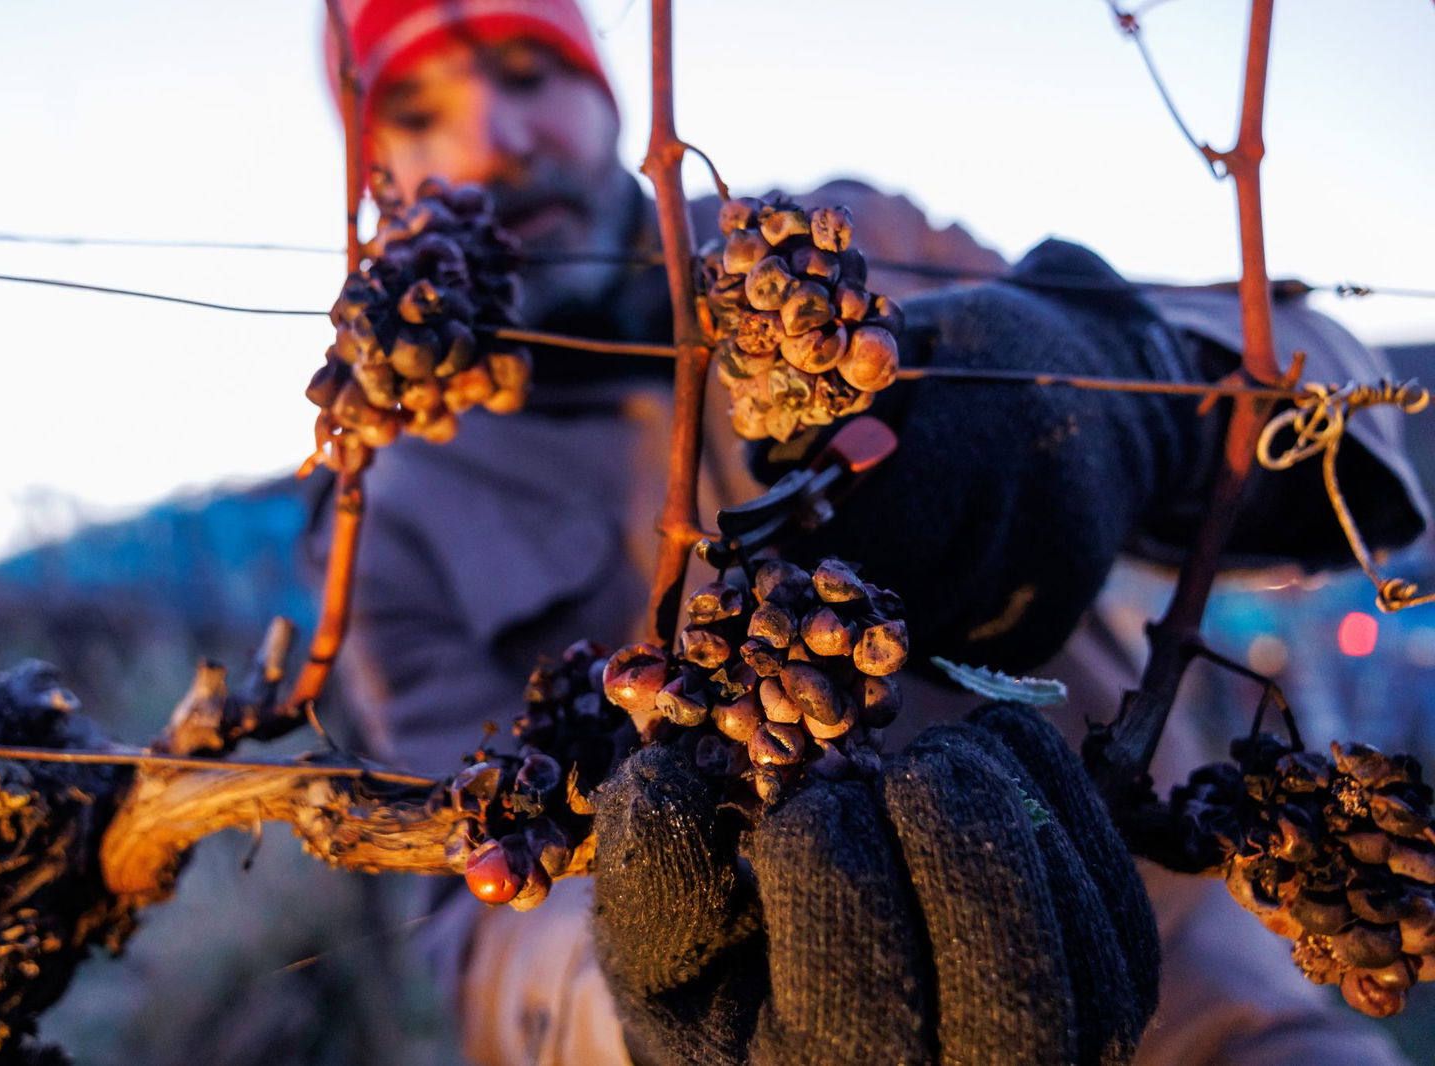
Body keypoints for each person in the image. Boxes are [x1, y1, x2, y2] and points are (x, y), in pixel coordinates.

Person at [327, 1, 1430, 1063]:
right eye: (418, 112)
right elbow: (466, 912)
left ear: (612, 94)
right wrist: (647, 1017)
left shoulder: (837, 261)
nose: (496, 139)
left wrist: (1124, 401)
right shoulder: (390, 513)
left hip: (1192, 997)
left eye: (530, 76)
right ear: (371, 171)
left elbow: (1314, 360)